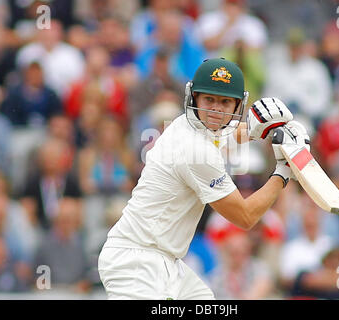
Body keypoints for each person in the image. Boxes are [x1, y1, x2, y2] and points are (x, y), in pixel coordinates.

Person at [97, 57, 310, 300]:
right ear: (194, 97)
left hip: (166, 261)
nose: (216, 109)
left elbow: (228, 134)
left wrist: (263, 129)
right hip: (136, 264)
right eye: (209, 99)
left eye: (225, 102)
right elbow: (245, 216)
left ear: (237, 106)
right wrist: (284, 172)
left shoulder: (188, 125)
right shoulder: (197, 152)